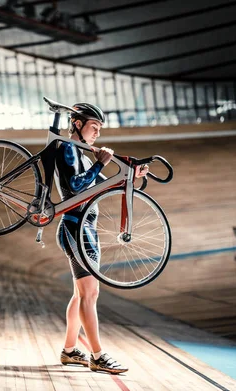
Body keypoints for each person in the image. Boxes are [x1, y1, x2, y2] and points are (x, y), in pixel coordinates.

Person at [56, 103, 148, 374]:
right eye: (93, 127)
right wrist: (99, 163)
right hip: (77, 228)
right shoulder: (69, 148)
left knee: (81, 294)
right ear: (76, 124)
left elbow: (102, 183)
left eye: (99, 129)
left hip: (83, 229)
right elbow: (75, 185)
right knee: (90, 293)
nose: (97, 133)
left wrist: (132, 176)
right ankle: (97, 355)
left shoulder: (83, 151)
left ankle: (70, 350)